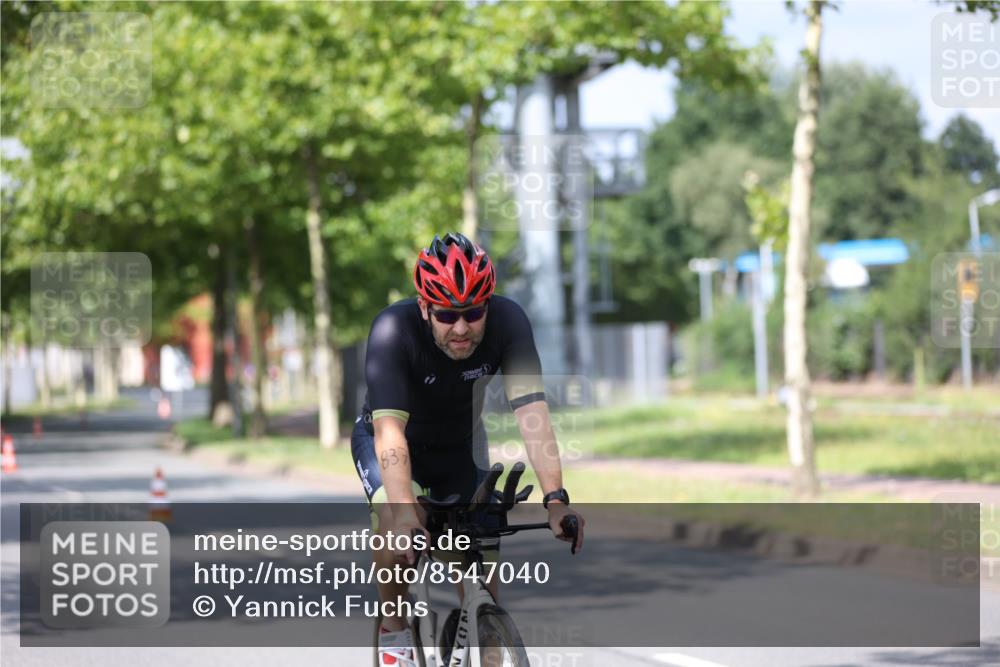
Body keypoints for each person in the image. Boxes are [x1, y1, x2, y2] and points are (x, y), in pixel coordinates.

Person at [351, 232, 585, 667]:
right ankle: (395, 632)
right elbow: (389, 433)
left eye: (473, 312)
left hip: (460, 444)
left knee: (482, 573)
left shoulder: (509, 322)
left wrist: (555, 499)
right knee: (393, 524)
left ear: (489, 305)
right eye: (446, 315)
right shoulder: (392, 330)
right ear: (424, 307)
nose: (461, 327)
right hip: (390, 441)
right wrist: (404, 511)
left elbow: (532, 413)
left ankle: (483, 642)